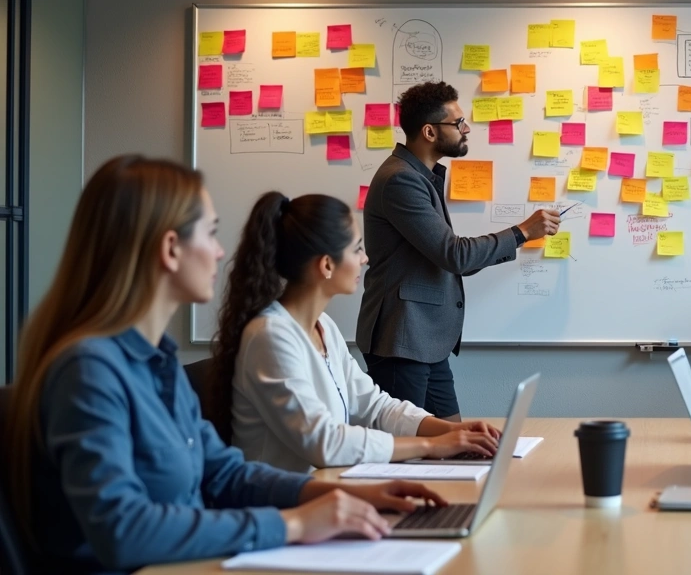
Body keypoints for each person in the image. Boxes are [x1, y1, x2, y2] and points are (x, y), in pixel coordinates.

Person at [4, 156, 446, 574]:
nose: (219, 252)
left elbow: (223, 473)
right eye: (210, 233)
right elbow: (123, 530)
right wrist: (293, 525)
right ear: (171, 249)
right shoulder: (88, 371)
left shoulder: (156, 361)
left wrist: (339, 492)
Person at [211, 191, 503, 474]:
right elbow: (323, 442)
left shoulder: (323, 326)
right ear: (326, 264)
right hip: (280, 506)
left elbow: (374, 406)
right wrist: (431, 446)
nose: (365, 259)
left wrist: (453, 430)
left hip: (326, 490)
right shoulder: (270, 336)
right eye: (356, 249)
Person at [357, 81, 560, 420]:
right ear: (429, 132)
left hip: (425, 341)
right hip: (402, 339)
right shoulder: (400, 180)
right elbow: (456, 256)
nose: (466, 130)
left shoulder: (421, 177)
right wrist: (522, 232)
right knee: (403, 451)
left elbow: (449, 257)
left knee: (454, 440)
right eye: (458, 123)